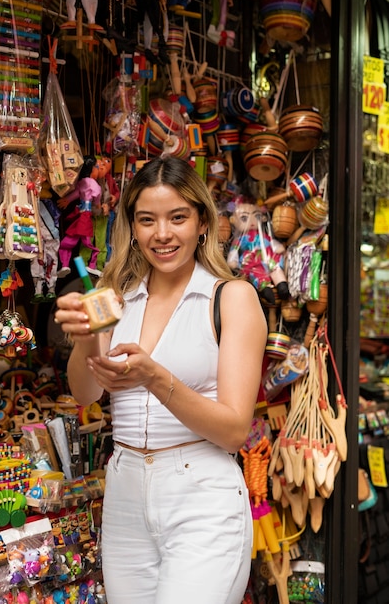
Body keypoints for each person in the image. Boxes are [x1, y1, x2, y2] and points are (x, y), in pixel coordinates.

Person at [54, 156, 267, 604]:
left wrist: (152, 375)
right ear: (132, 226)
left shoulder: (232, 298)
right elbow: (85, 393)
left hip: (202, 497)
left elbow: (232, 431)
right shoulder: (115, 297)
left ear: (203, 222)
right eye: (147, 220)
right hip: (126, 492)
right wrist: (83, 341)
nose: (162, 234)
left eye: (178, 218)